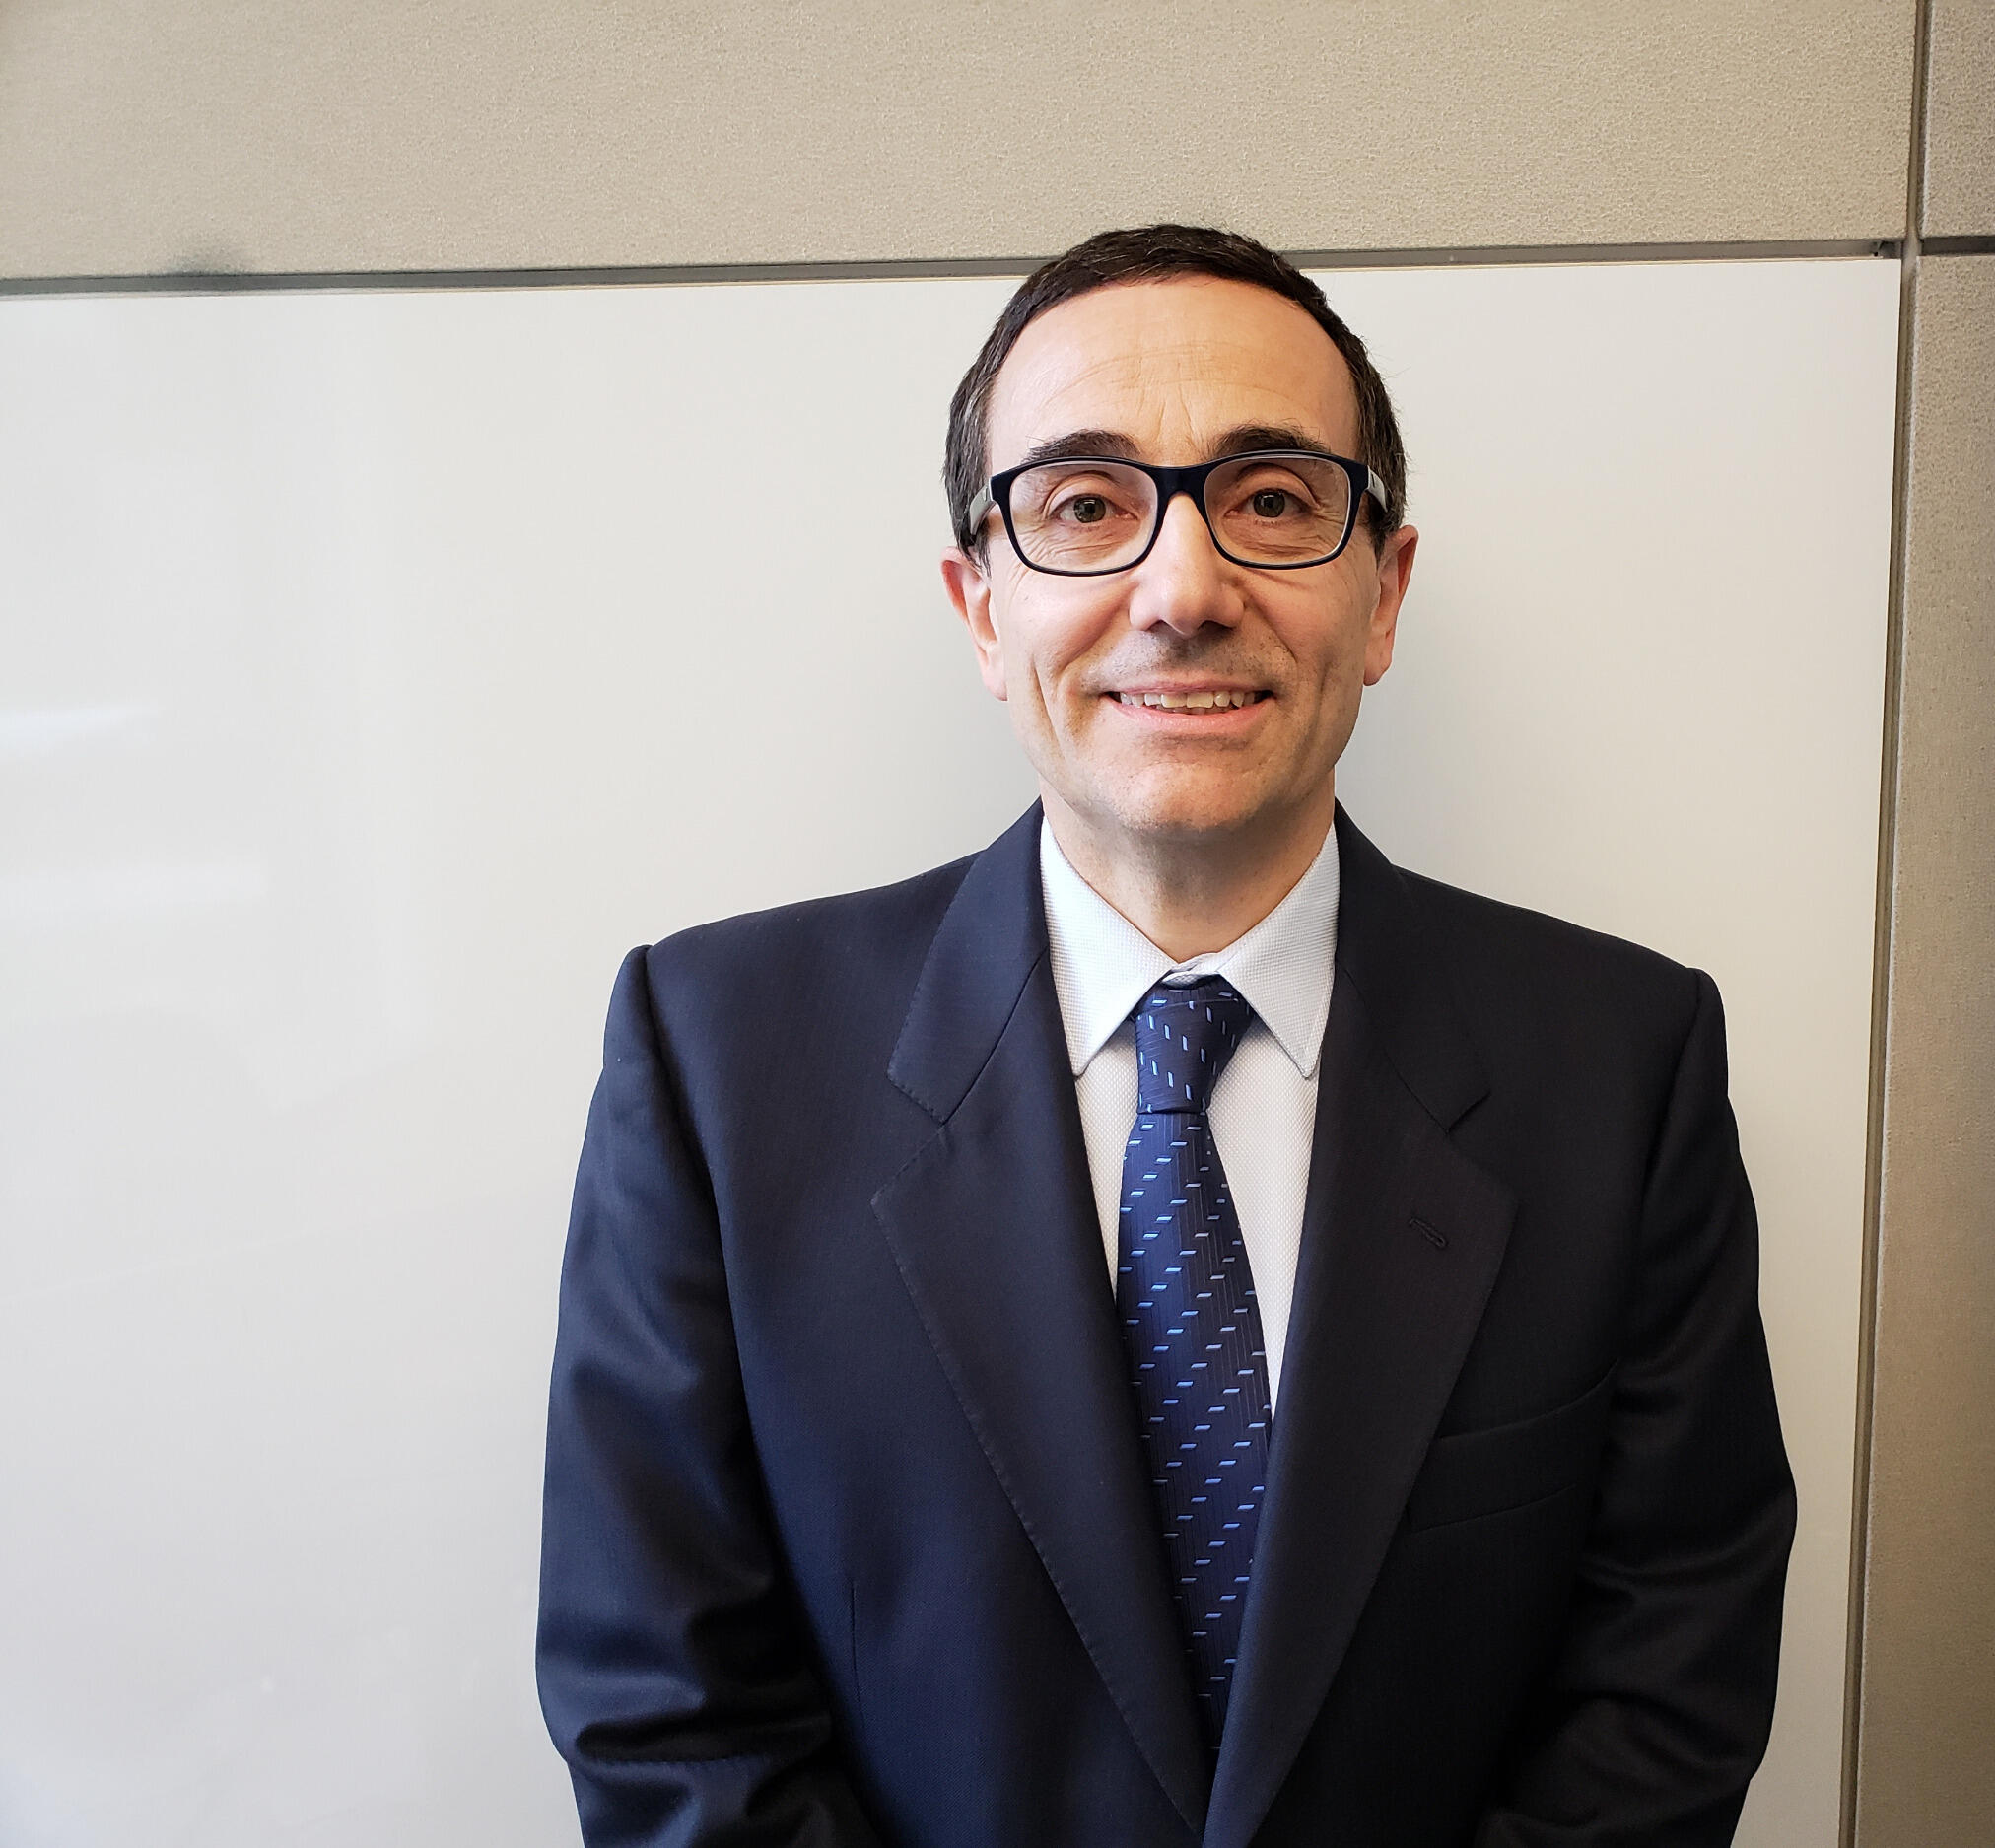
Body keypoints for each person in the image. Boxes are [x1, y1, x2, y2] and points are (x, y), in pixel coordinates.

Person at [537, 224, 1794, 1848]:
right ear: (982, 611)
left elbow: (1665, 1685)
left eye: (1272, 500)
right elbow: (669, 1720)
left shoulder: (1622, 1067)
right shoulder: (715, 1065)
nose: (1185, 590)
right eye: (1084, 507)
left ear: (1385, 592)